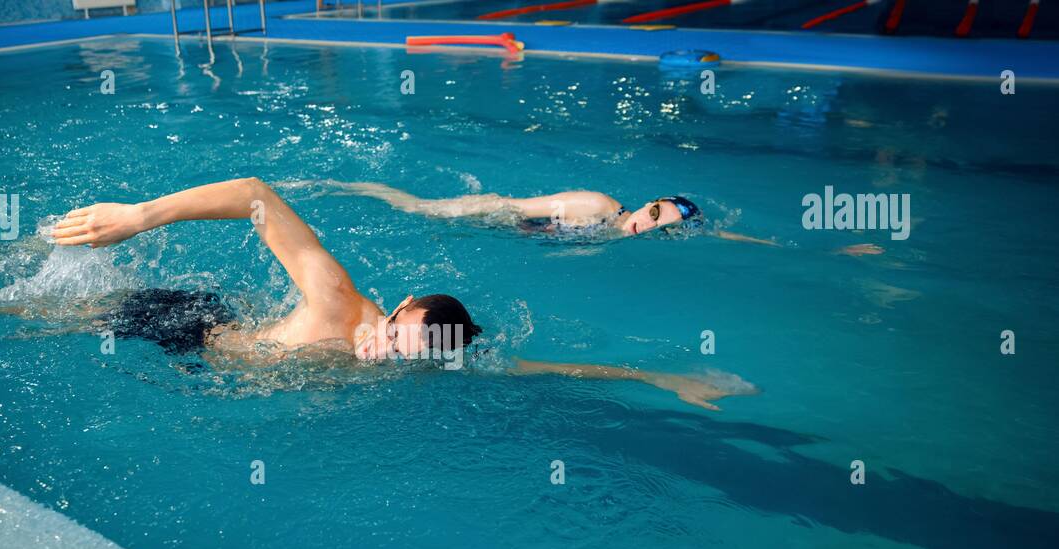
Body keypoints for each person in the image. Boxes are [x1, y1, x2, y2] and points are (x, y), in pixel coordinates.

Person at [42, 177, 754, 410]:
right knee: (29, 315)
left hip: (203, 373)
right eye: (392, 332)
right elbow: (256, 196)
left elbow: (541, 368)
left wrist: (660, 376)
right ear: (402, 302)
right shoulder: (335, 302)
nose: (377, 350)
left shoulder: (420, 355)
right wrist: (137, 218)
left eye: (399, 355)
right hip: (183, 328)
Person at [309, 180, 883, 255]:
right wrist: (465, 216)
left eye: (659, 227)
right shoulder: (595, 208)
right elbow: (514, 211)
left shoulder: (617, 236)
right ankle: (351, 187)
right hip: (490, 216)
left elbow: (728, 234)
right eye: (652, 213)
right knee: (409, 208)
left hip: (518, 237)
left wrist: (828, 252)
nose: (645, 224)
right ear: (646, 202)